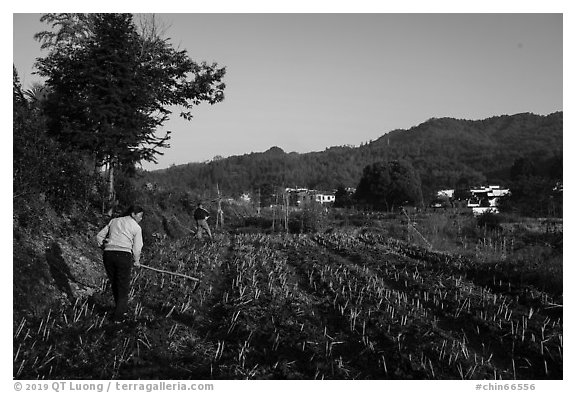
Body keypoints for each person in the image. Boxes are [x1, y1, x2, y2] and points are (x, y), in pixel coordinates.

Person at [96, 205, 144, 322]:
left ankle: (120, 309)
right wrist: (137, 261)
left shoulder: (114, 221)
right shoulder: (136, 227)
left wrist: (104, 246)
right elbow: (137, 247)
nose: (141, 218)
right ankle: (118, 318)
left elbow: (99, 236)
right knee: (123, 286)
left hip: (108, 255)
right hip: (123, 255)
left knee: (115, 283)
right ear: (133, 214)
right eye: (140, 216)